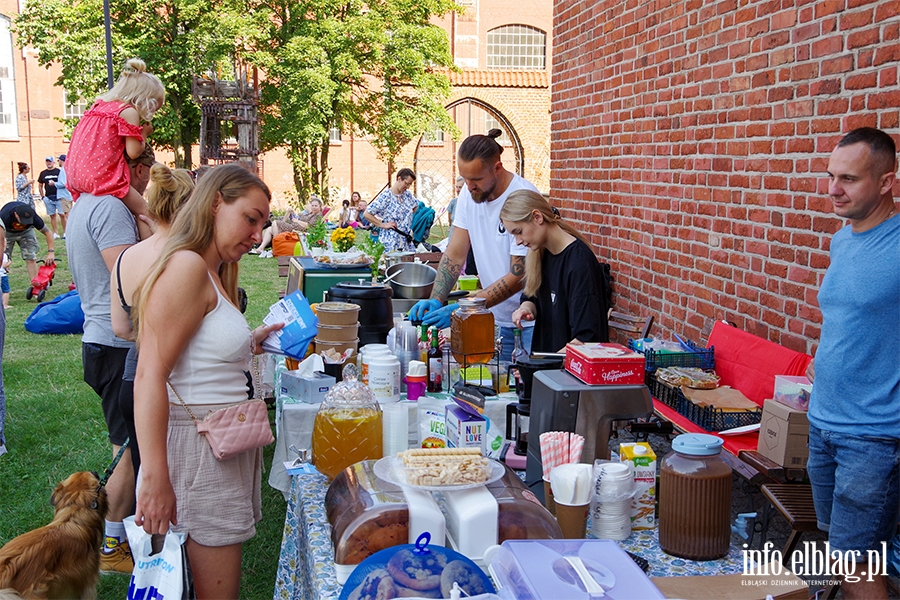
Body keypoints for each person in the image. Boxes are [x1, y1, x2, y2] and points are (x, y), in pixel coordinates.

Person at [131, 164, 281, 599]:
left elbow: (194, 354)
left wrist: (248, 342)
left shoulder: (212, 271)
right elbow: (149, 375)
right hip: (199, 450)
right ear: (216, 202)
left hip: (217, 443)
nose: (257, 235)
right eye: (250, 219)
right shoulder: (187, 267)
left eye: (262, 224)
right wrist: (154, 476)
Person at [806, 127, 899, 600]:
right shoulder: (843, 239)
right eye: (830, 176)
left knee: (858, 565)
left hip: (874, 436)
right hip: (823, 423)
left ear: (886, 182)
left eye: (849, 178)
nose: (833, 189)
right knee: (841, 552)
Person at [66, 144, 155, 574]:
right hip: (116, 342)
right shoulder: (111, 207)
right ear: (133, 169)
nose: (146, 184)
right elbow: (128, 275)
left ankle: (118, 534)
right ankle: (112, 545)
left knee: (127, 444)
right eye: (145, 173)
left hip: (100, 339)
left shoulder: (85, 203)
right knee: (127, 451)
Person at [409, 129, 539, 360]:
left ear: (497, 168)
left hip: (524, 323)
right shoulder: (469, 196)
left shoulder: (522, 196)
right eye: (465, 178)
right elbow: (455, 254)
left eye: (476, 179)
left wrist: (464, 307)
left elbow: (520, 273)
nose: (469, 187)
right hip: (486, 317)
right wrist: (437, 298)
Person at [110, 163, 194, 486]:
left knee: (147, 472)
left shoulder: (125, 258)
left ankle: (140, 537)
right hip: (176, 382)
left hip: (132, 378)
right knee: (178, 482)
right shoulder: (187, 258)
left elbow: (120, 327)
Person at [66, 58, 165, 241]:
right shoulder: (128, 112)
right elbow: (134, 152)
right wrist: (143, 134)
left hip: (79, 174)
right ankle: (149, 248)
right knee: (143, 210)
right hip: (104, 176)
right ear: (144, 100)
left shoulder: (99, 106)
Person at [500, 190, 609, 352]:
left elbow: (587, 338)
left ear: (537, 217)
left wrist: (545, 364)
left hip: (568, 373)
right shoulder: (540, 254)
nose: (518, 242)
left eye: (519, 231)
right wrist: (526, 309)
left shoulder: (579, 264)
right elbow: (531, 298)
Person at [364, 168, 418, 252]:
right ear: (399, 179)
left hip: (405, 240)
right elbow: (367, 214)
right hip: (391, 241)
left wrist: (407, 219)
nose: (407, 187)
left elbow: (416, 206)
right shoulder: (386, 196)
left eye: (409, 185)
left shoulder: (407, 195)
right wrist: (383, 225)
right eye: (406, 183)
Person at [0, 202, 57, 281]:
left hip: (26, 232)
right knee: (3, 260)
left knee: (31, 257)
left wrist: (51, 252)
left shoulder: (33, 216)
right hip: (7, 233)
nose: (25, 222)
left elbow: (48, 232)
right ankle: (2, 287)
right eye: (23, 220)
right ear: (16, 214)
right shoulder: (5, 216)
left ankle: (36, 285)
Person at [252, 195, 324, 256]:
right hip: (293, 226)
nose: (314, 207)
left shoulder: (317, 216)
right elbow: (301, 218)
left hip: (298, 230)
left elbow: (308, 226)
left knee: (275, 222)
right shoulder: (310, 213)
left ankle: (276, 247)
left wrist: (297, 221)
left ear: (320, 206)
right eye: (312, 205)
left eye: (316, 206)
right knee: (270, 229)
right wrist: (294, 215)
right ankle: (261, 248)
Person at [37, 156, 61, 239]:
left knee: (62, 215)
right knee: (52, 215)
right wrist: (42, 196)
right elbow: (40, 185)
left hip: (59, 197)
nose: (48, 163)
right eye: (47, 161)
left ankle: (65, 233)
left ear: (53, 162)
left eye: (50, 161)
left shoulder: (58, 171)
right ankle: (56, 233)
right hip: (48, 197)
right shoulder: (43, 173)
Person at [54, 154, 73, 238]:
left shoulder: (63, 170)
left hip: (64, 195)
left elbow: (62, 183)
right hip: (69, 194)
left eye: (59, 160)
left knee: (67, 214)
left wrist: (54, 183)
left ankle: (69, 233)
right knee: (69, 214)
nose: (59, 162)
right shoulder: (69, 169)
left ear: (61, 161)